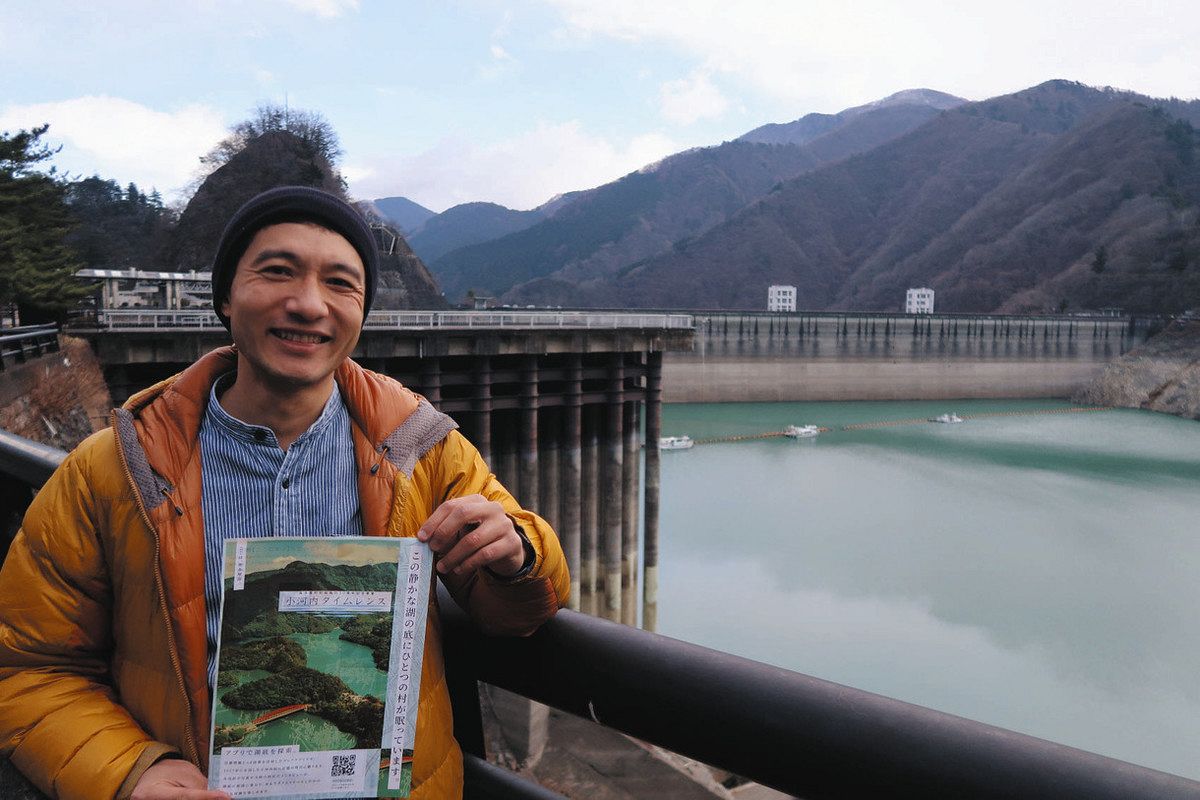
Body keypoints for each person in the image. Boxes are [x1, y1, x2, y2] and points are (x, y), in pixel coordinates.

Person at [0, 186, 569, 800]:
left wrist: (518, 555)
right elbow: (29, 667)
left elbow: (522, 609)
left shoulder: (422, 450)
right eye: (277, 271)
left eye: (340, 283)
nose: (308, 304)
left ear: (361, 311)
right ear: (226, 296)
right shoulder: (110, 472)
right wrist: (130, 770)